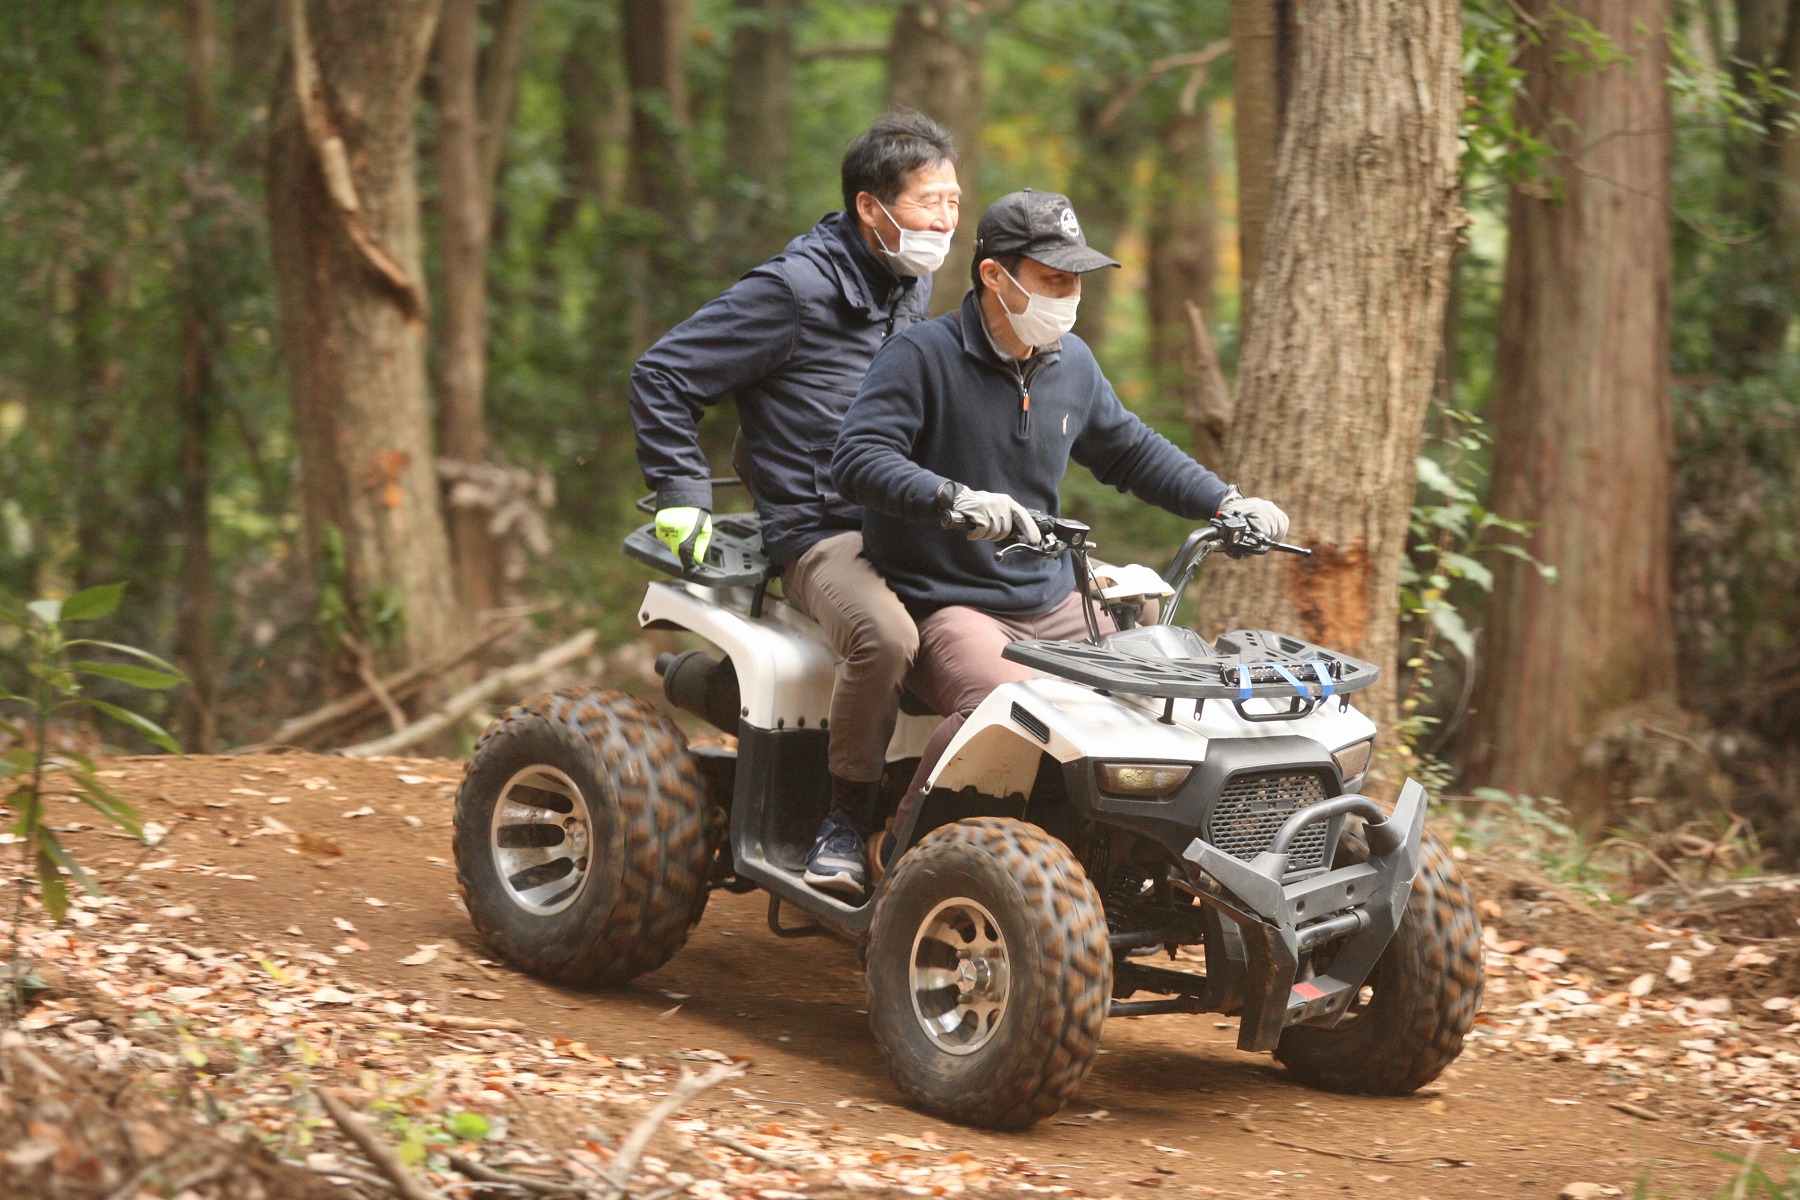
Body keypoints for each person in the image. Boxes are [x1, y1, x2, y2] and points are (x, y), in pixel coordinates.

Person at [832, 189, 1289, 834]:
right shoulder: (921, 357)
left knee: (1167, 692)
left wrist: (1225, 501)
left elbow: (1130, 450)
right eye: (1052, 279)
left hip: (1057, 597)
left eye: (1077, 279)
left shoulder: (1070, 362)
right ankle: (903, 853)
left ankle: (1126, 852)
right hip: (953, 600)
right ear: (994, 275)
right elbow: (856, 458)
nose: (1070, 295)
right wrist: (953, 499)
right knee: (1005, 706)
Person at [629, 109, 961, 899]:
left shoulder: (909, 282)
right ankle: (843, 824)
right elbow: (663, 374)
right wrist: (680, 492)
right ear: (870, 209)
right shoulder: (792, 290)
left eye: (954, 201)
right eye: (928, 204)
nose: (945, 221)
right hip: (820, 529)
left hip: (905, 514)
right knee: (883, 639)